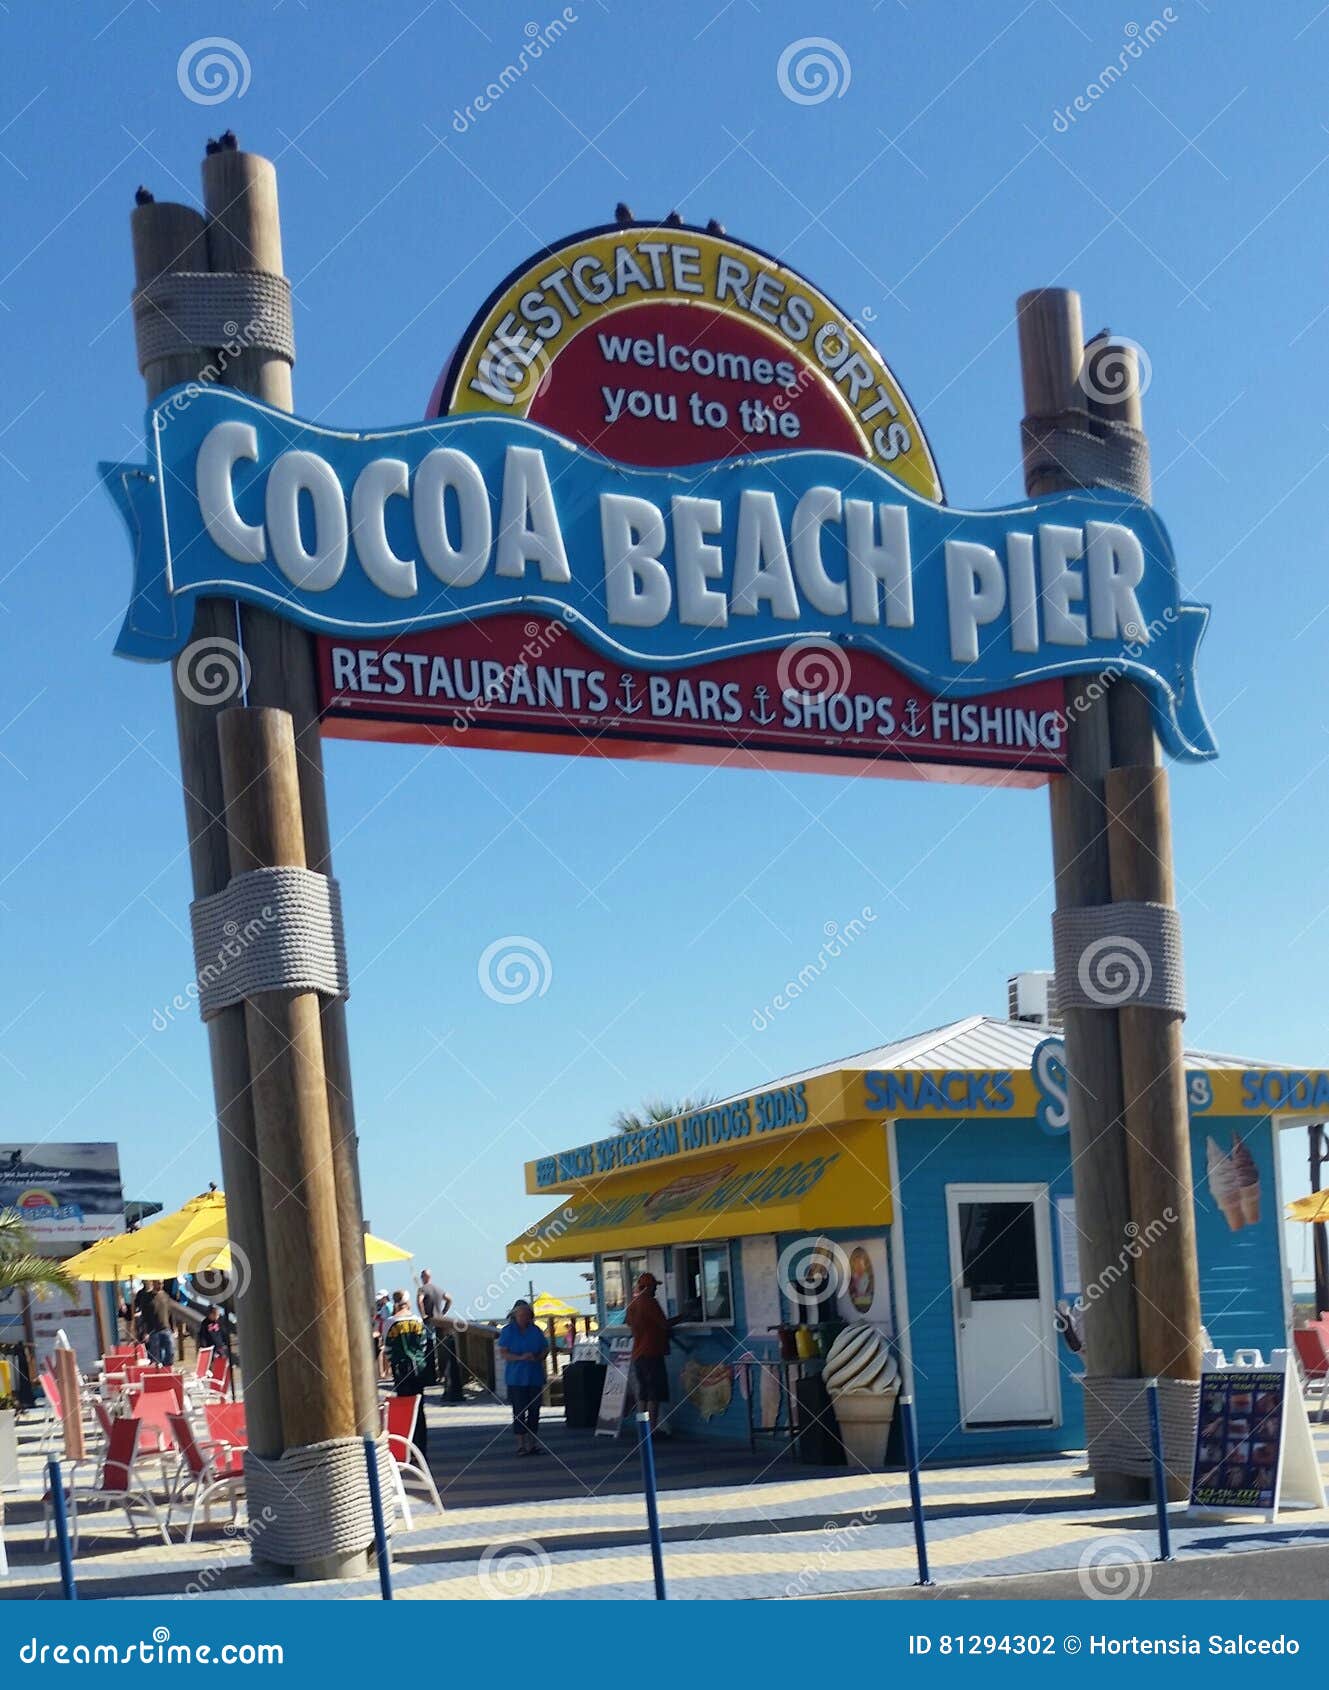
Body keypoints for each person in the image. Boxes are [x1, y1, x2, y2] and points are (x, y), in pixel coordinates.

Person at [497, 1299, 549, 1455]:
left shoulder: (536, 1330)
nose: (524, 1318)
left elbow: (545, 1349)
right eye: (521, 1315)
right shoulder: (508, 1331)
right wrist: (520, 1357)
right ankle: (521, 1445)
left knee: (534, 1411)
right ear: (515, 1316)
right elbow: (503, 1353)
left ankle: (532, 1444)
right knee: (519, 1411)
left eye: (527, 1315)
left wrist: (538, 1357)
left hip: (534, 1376)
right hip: (516, 1378)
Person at [625, 1272, 673, 1433]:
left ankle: (643, 1429)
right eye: (654, 1287)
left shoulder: (633, 1304)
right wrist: (684, 1317)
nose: (655, 1290)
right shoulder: (649, 1302)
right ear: (647, 1287)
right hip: (652, 1352)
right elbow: (664, 1324)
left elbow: (629, 1323)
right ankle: (652, 1429)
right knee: (654, 1394)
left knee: (643, 1394)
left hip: (638, 1354)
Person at [384, 1290, 429, 1457]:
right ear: (408, 1302)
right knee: (419, 1408)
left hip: (401, 1369)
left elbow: (388, 1348)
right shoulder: (417, 1320)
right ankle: (421, 1449)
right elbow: (423, 1344)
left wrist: (392, 1363)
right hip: (418, 1367)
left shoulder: (390, 1322)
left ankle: (407, 1447)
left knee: (405, 1407)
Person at [417, 1270, 456, 1395]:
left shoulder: (422, 1289)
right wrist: (443, 1312)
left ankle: (431, 1376)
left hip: (429, 1321)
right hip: (440, 1321)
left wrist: (423, 1314)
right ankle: (442, 1374)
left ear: (424, 1277)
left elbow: (420, 1301)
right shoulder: (438, 1289)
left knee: (429, 1348)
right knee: (441, 1348)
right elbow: (449, 1299)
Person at [142, 1280, 175, 1366]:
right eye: (159, 1283)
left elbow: (170, 1313)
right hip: (153, 1331)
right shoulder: (147, 1297)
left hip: (166, 1328)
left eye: (162, 1283)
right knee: (156, 1356)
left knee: (171, 1352)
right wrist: (145, 1332)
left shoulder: (166, 1296)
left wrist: (173, 1328)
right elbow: (144, 1316)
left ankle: (167, 1368)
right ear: (153, 1283)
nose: (161, 1285)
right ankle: (159, 1371)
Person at [372, 1290, 391, 1381]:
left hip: (386, 1331)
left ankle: (386, 1372)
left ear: (385, 1298)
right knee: (383, 1350)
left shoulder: (387, 1307)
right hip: (383, 1331)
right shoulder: (383, 1307)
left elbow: (388, 1319)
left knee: (384, 1351)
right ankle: (384, 1372)